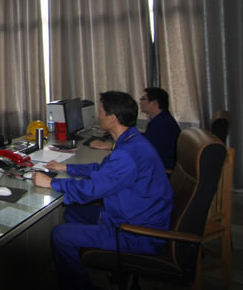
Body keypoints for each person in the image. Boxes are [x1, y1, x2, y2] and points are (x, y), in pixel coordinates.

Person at [34, 91, 173, 290]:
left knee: (60, 234)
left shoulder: (127, 154)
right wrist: (66, 168)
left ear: (112, 118)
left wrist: (51, 183)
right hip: (136, 214)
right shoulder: (131, 140)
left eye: (101, 112)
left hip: (136, 233)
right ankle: (94, 263)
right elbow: (102, 169)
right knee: (74, 213)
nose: (98, 116)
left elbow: (92, 189)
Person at [88, 87, 180, 169]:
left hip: (163, 168)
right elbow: (148, 140)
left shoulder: (162, 124)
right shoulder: (162, 119)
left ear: (154, 103)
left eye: (143, 99)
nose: (140, 102)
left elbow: (141, 149)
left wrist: (109, 146)